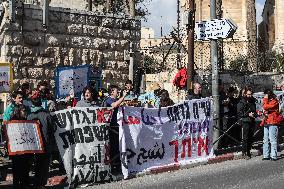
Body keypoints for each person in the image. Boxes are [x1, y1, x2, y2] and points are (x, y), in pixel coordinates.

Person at [3, 91, 31, 189]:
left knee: (26, 163)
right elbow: (5, 125)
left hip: (26, 141)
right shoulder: (9, 110)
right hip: (14, 142)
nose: (21, 99)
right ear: (14, 99)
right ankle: (16, 184)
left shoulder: (27, 108)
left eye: (22, 97)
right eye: (19, 98)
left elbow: (31, 121)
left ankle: (25, 183)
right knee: (16, 164)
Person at [27, 93, 55, 189]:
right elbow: (53, 129)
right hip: (45, 145)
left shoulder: (29, 116)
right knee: (44, 165)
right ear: (41, 102)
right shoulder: (47, 115)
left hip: (33, 145)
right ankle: (41, 184)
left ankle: (36, 183)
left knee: (36, 165)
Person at [261, 89, 282, 161]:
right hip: (266, 121)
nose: (264, 96)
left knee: (272, 139)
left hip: (273, 121)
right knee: (265, 139)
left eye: (266, 95)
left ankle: (274, 156)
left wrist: (265, 99)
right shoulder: (267, 100)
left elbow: (265, 106)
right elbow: (264, 107)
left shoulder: (275, 101)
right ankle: (266, 155)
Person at [237, 86, 257, 159]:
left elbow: (254, 110)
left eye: (251, 94)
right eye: (248, 94)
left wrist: (255, 114)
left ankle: (248, 151)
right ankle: (244, 152)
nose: (250, 96)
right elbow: (239, 113)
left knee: (250, 137)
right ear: (245, 94)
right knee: (245, 138)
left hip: (252, 121)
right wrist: (248, 114)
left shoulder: (252, 101)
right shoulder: (241, 102)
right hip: (245, 121)